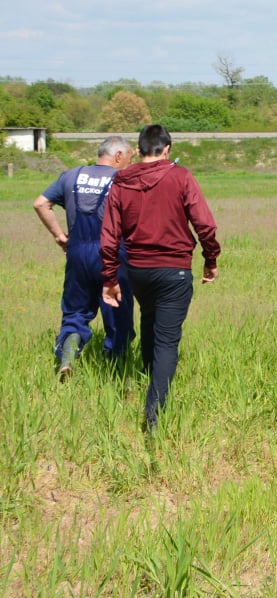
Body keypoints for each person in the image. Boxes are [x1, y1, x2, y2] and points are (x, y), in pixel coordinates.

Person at [100, 124, 221, 432]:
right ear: (167, 149)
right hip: (175, 271)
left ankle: (146, 374)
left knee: (149, 318)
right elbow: (204, 224)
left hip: (138, 271)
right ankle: (154, 414)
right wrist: (210, 259)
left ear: (139, 151)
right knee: (167, 340)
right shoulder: (181, 177)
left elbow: (110, 235)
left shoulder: (121, 181)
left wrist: (109, 277)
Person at [33, 135, 136, 380]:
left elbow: (40, 204)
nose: (129, 165)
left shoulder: (71, 175)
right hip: (112, 255)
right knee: (117, 314)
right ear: (118, 156)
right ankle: (116, 372)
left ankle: (68, 359)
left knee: (75, 313)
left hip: (77, 253)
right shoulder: (123, 180)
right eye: (129, 159)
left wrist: (59, 236)